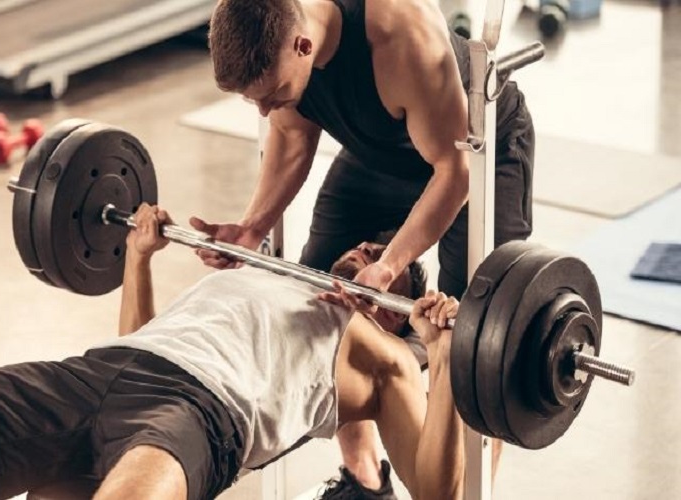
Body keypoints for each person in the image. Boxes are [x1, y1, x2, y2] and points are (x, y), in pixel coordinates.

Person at [0, 204, 465, 500]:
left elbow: (440, 492)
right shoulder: (264, 272)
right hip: (98, 371)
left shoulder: (383, 356)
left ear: (393, 310)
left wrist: (441, 356)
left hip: (199, 415)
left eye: (382, 259)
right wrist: (139, 257)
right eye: (366, 244)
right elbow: (146, 337)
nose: (366, 250)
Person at [196, 0, 530, 494]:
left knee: (474, 338)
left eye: (271, 95)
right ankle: (366, 479)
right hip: (379, 151)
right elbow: (290, 138)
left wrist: (391, 262)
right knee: (314, 303)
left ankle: (465, 490)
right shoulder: (287, 47)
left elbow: (454, 173)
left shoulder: (399, 34)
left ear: (303, 46)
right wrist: (251, 228)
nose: (264, 111)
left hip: (476, 157)